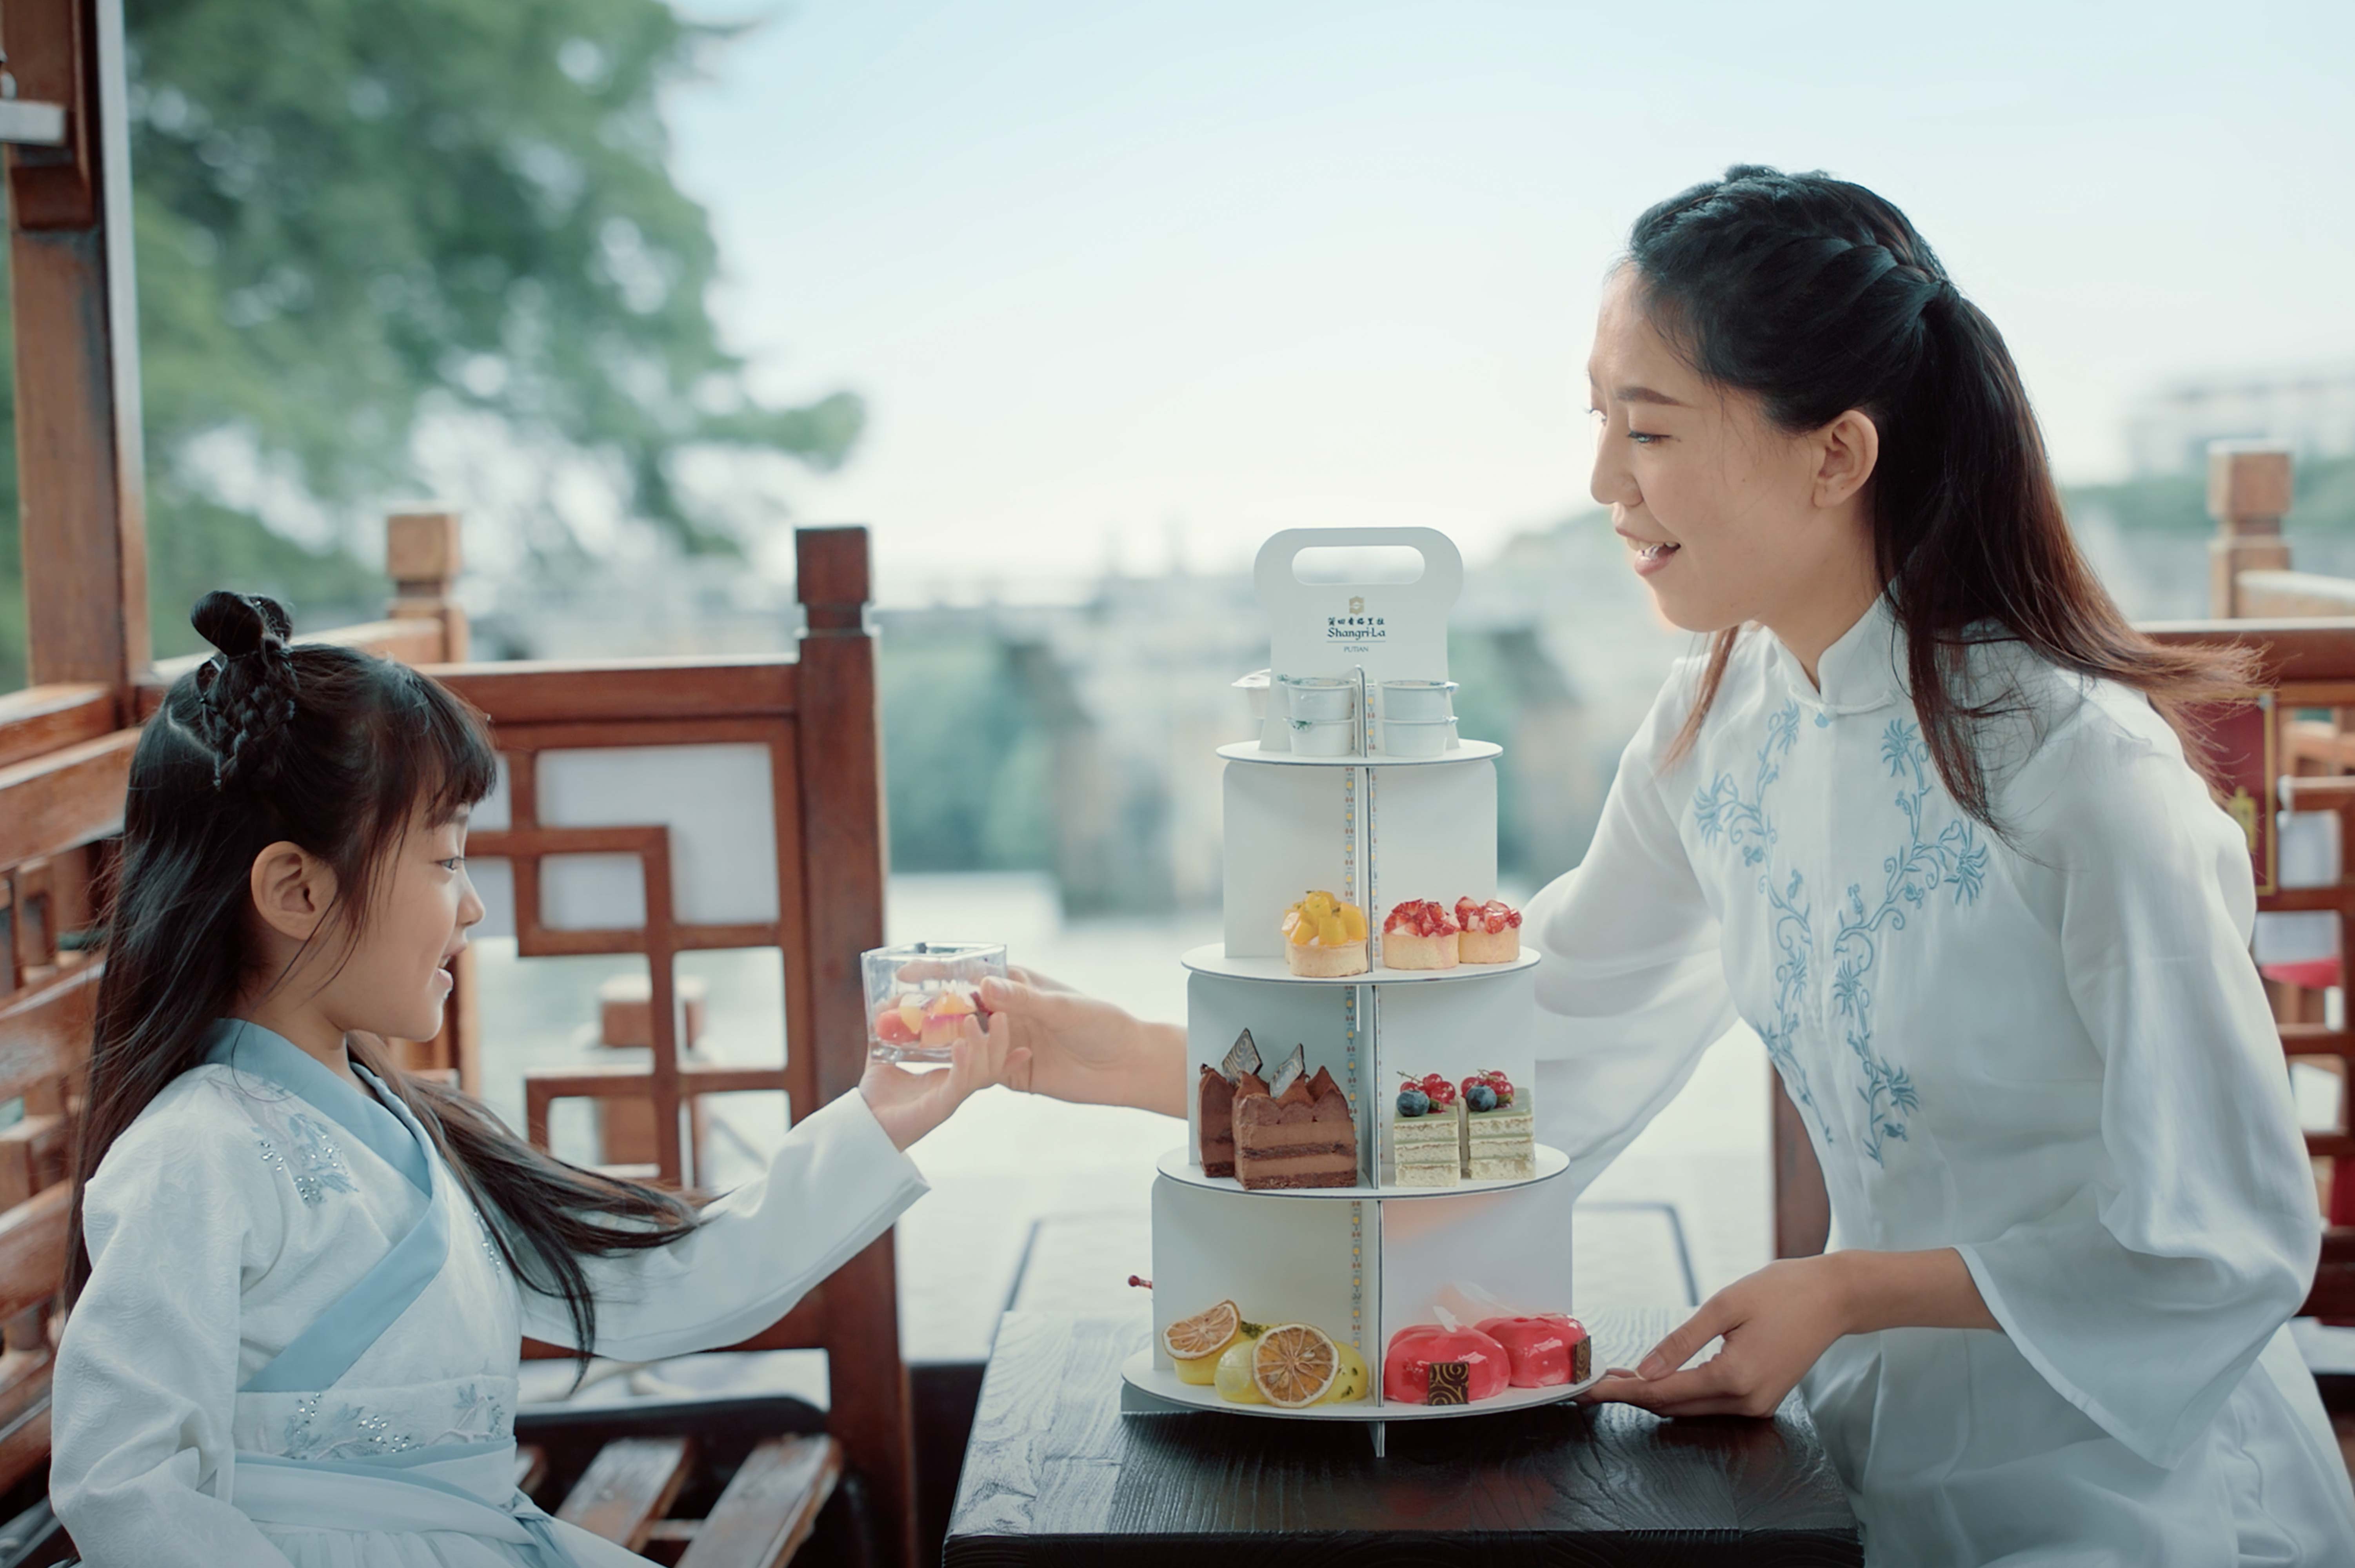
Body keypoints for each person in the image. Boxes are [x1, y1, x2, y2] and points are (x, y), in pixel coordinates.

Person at [983, 167, 2355, 1564]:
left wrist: (1846, 1290)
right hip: (1845, 1449)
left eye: (1645, 430)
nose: (1599, 485)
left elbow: (2229, 1240)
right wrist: (1135, 1061)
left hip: (2133, 1482)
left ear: (1834, 456)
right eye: (1598, 422)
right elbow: (1536, 1063)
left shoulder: (2087, 778)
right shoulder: (1721, 723)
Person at [50, 591, 1023, 1567]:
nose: (473, 905)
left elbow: (654, 1287)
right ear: (296, 890)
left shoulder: (406, 1123)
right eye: (444, 858)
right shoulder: (192, 1151)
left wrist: (879, 1118)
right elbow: (124, 1486)